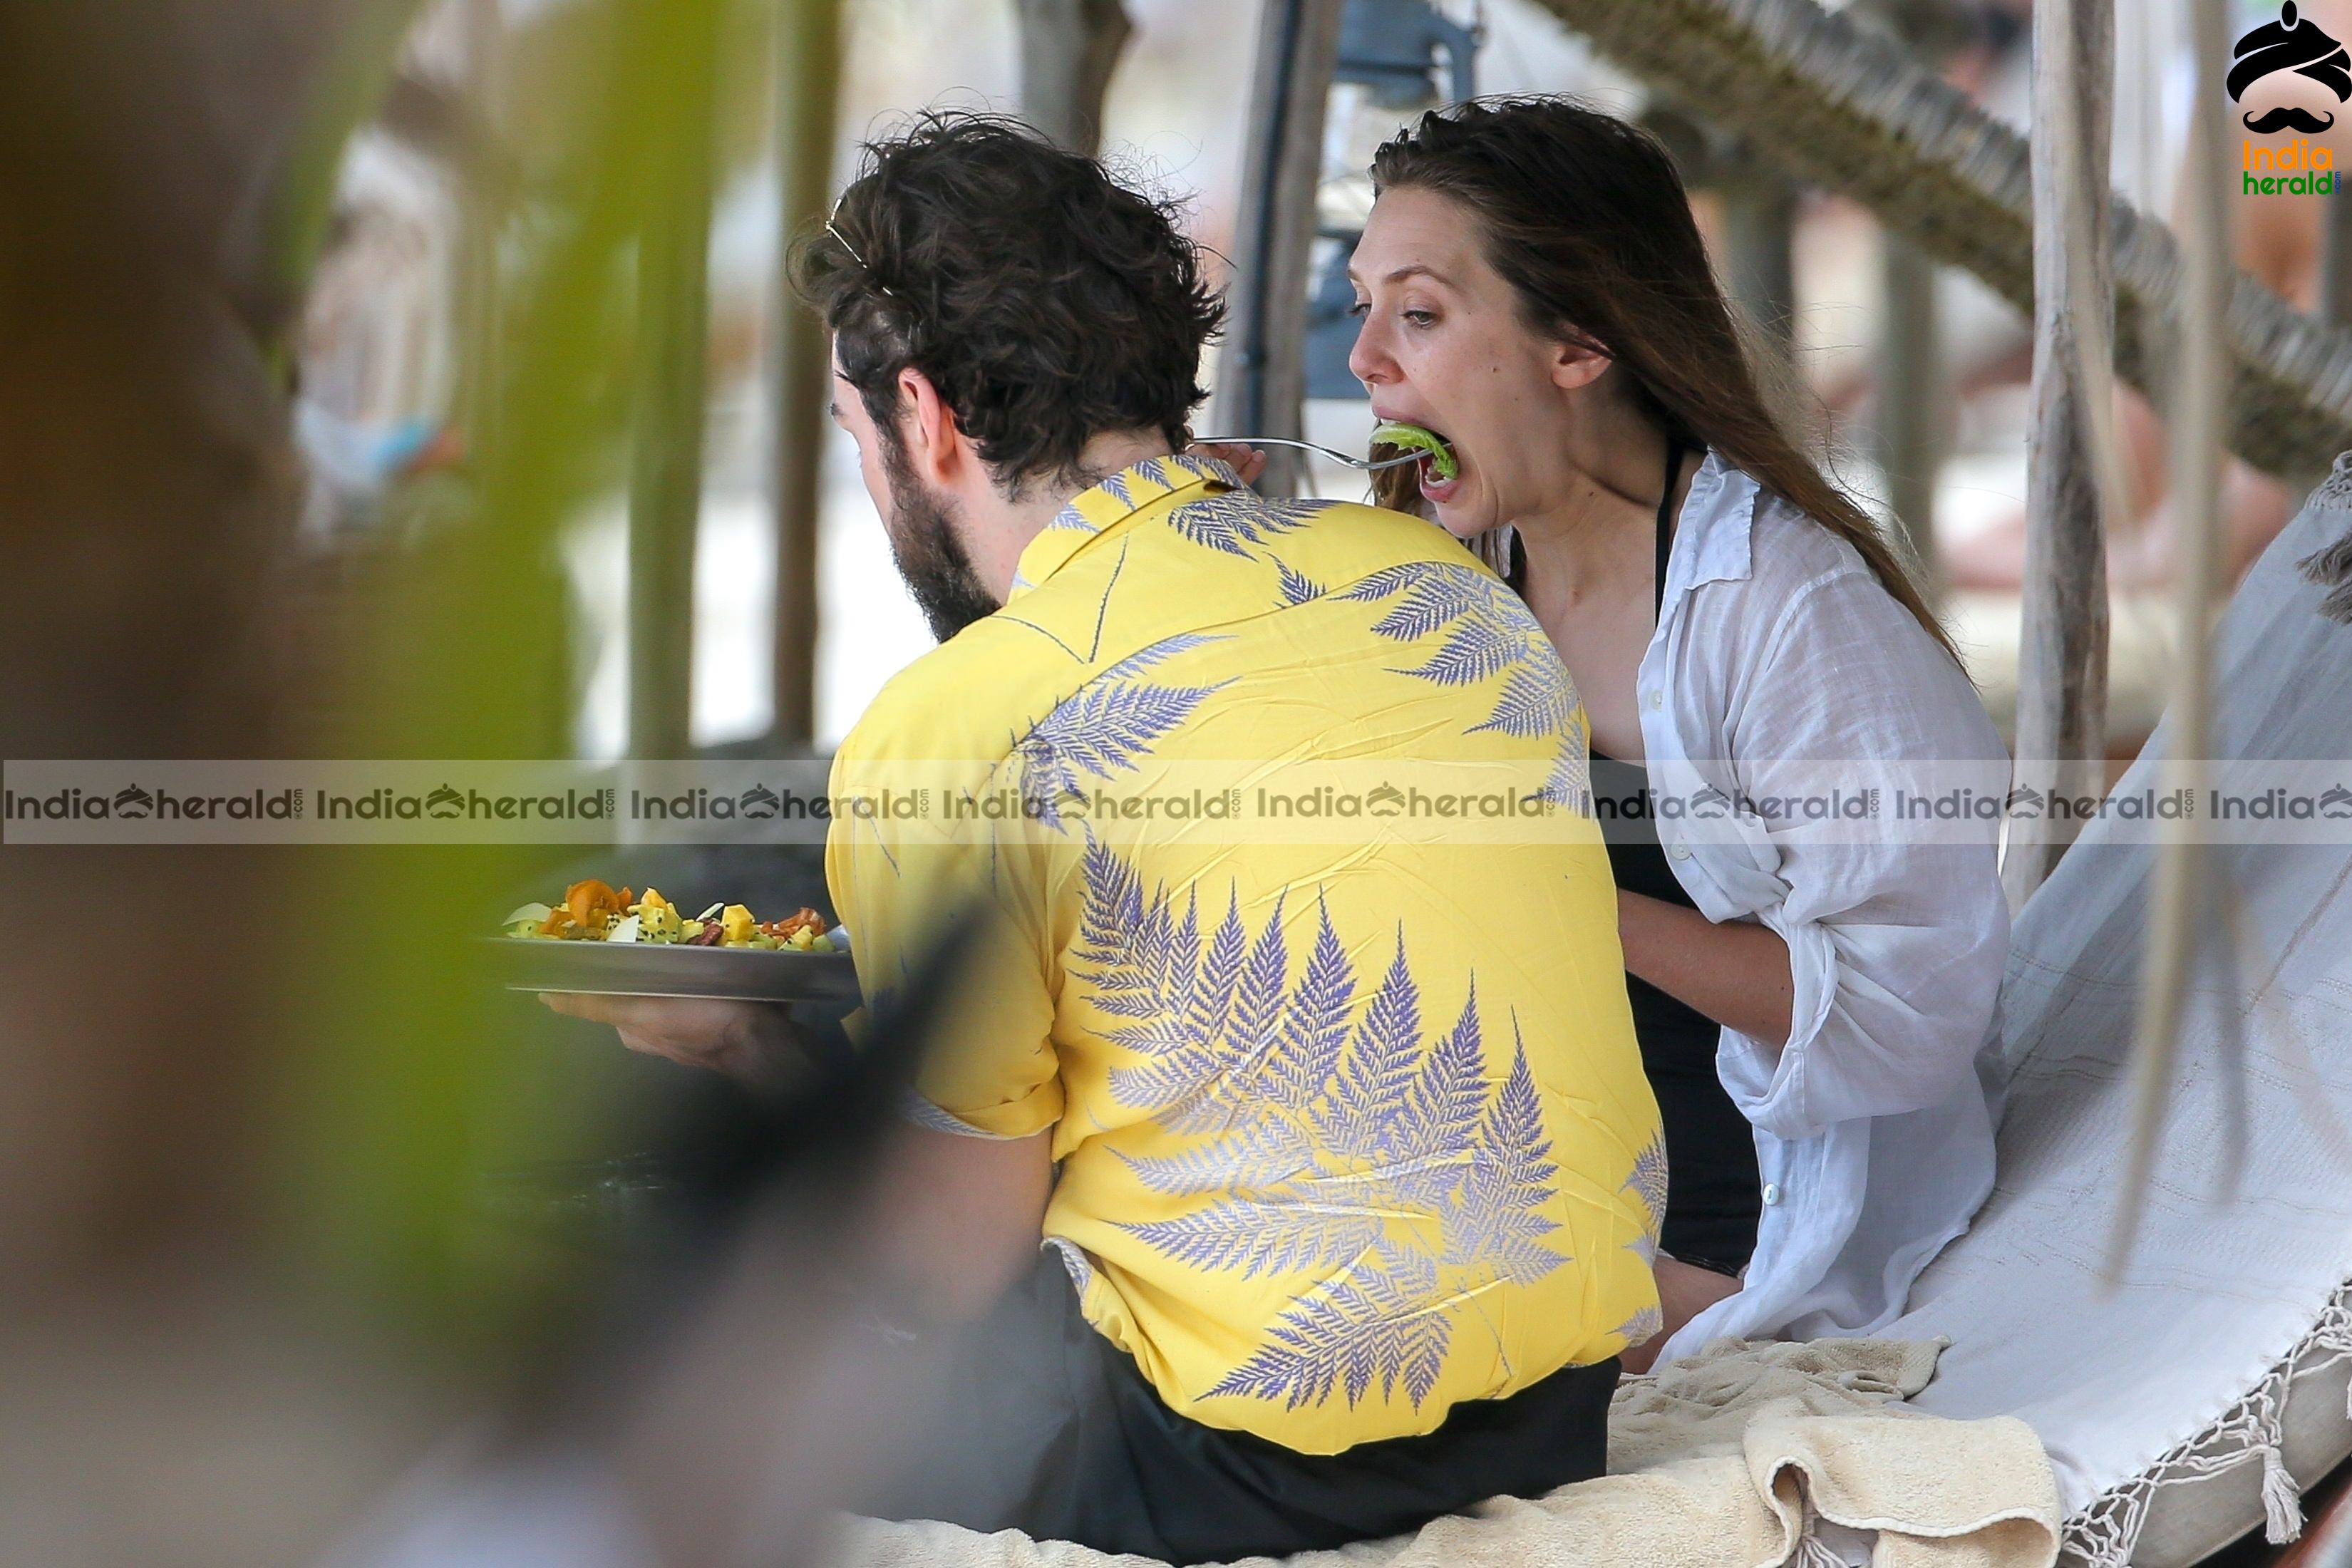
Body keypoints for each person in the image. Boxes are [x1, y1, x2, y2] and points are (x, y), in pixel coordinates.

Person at [545, 113, 1664, 1563]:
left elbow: (953, 1254)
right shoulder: (1440, 588)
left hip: (1239, 1467)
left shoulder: (960, 721)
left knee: (615, 1290)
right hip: (1559, 1398)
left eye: (853, 436)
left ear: (924, 418)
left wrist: (752, 1071)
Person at [1339, 98, 2008, 1369]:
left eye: (1418, 313)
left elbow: (1912, 1014)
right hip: (1517, 1172)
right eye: (1363, 305)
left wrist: (1553, 887)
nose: (1368, 357)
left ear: (1579, 342)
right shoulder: (1448, 568)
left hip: (1727, 1241)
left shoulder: (1787, 612)